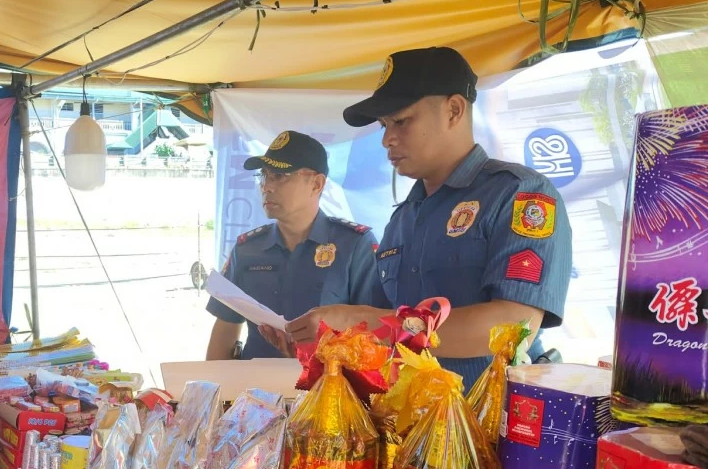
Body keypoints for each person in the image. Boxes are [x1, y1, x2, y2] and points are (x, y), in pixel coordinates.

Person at [285, 47, 573, 390]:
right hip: (408, 427)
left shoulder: (519, 195)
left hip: (492, 428)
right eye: (384, 125)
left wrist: (367, 321)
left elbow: (514, 325)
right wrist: (327, 339)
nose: (387, 139)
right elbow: (382, 335)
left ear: (453, 110)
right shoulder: (402, 219)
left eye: (401, 121)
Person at [206, 131, 379, 360]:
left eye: (279, 175)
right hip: (258, 390)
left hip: (328, 388)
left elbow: (376, 331)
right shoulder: (247, 249)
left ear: (316, 184)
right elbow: (225, 329)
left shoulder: (354, 245)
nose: (266, 186)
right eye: (264, 176)